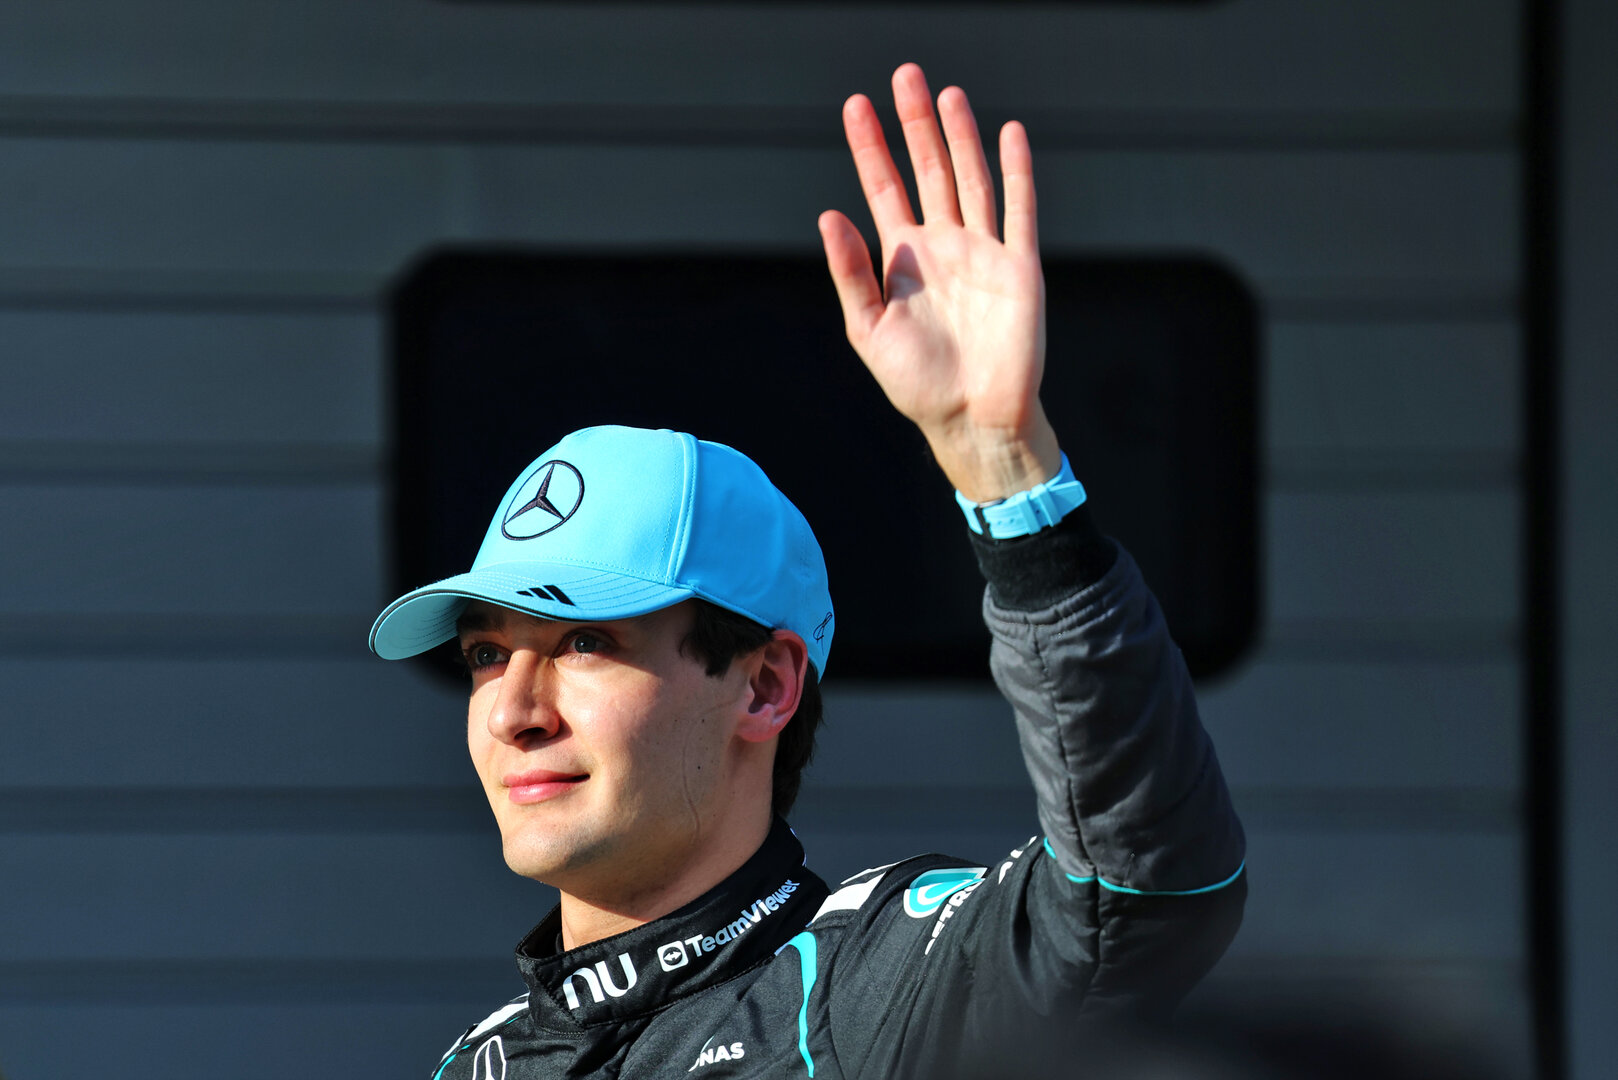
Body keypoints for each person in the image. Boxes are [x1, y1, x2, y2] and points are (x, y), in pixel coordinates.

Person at [369, 62, 1245, 1079]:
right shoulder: (480, 1065)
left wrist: (1007, 472)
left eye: (582, 643)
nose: (515, 709)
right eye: (485, 651)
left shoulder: (878, 991)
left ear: (766, 683)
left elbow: (1141, 895)